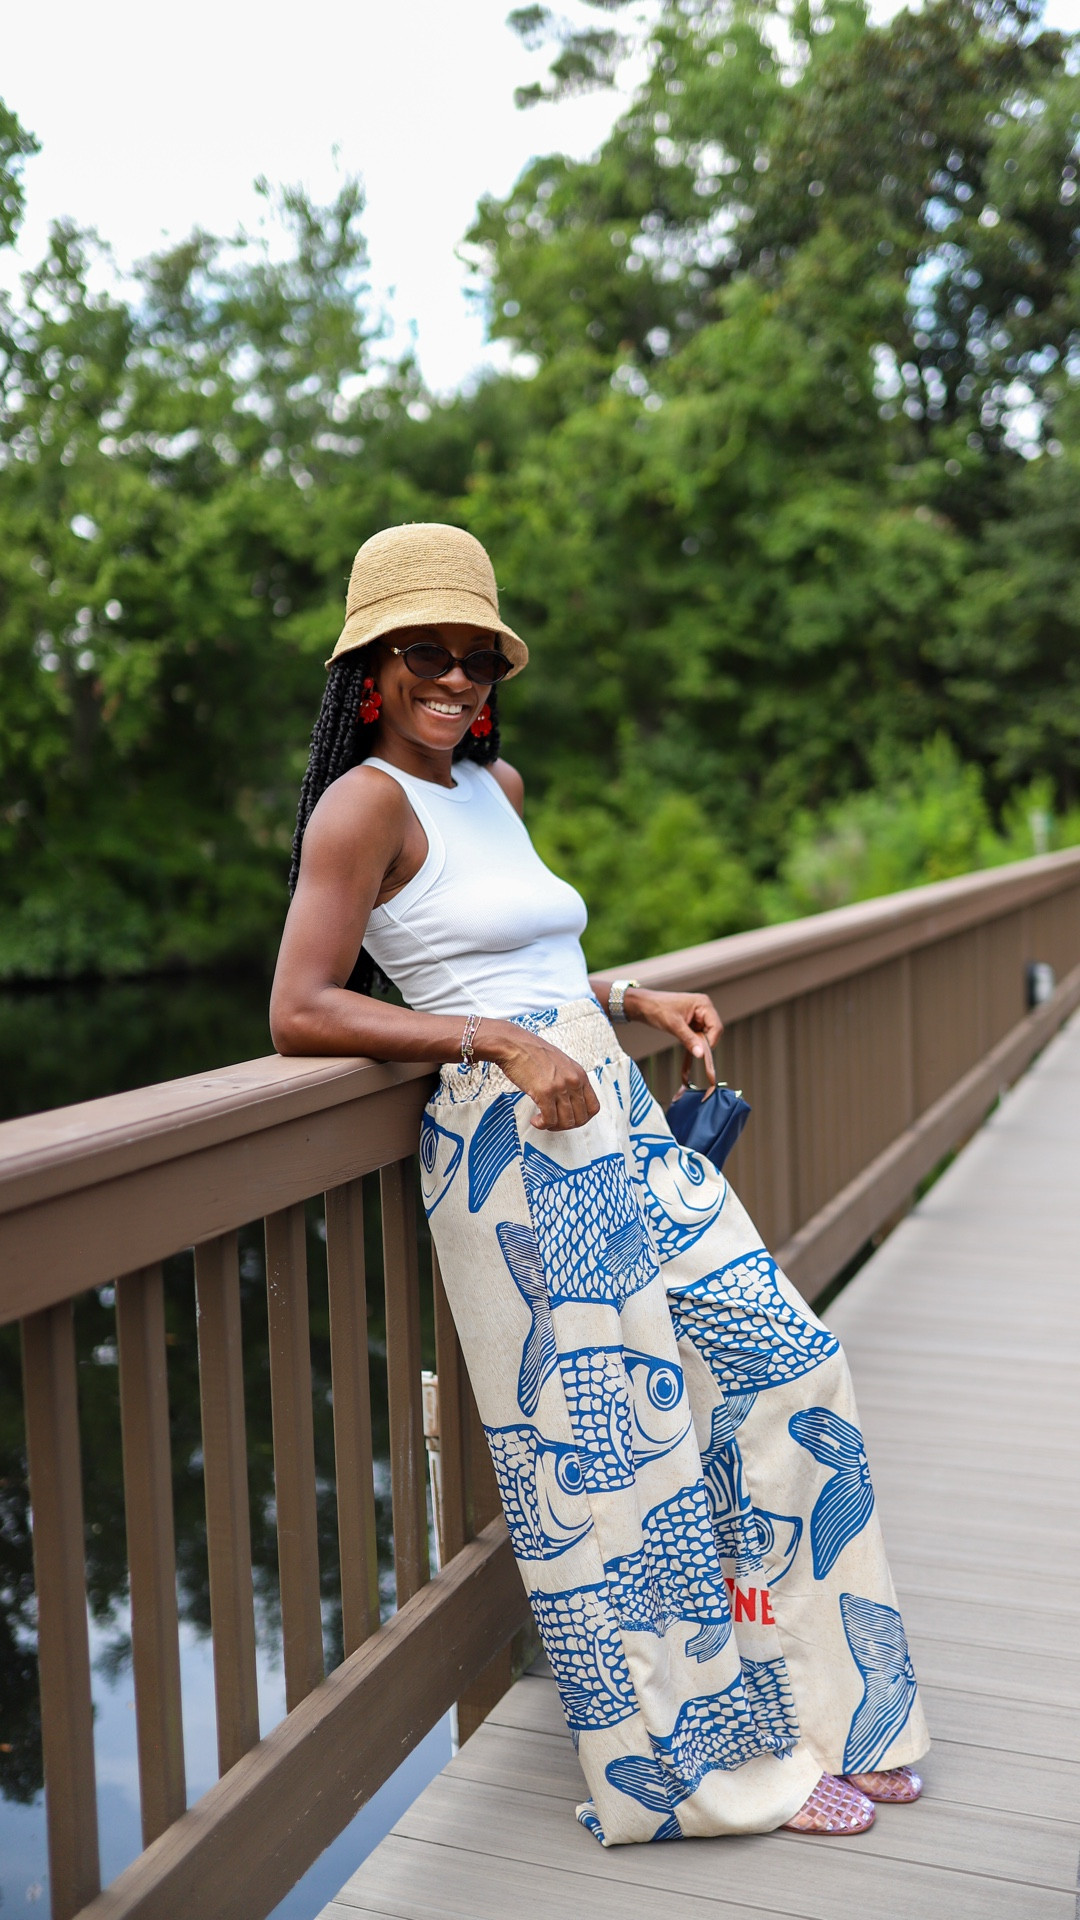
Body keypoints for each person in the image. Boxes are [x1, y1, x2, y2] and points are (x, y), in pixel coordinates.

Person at [270, 522, 930, 1846]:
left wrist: (629, 996)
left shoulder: (492, 787)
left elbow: (531, 958)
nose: (453, 679)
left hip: (608, 1102)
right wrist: (497, 1042)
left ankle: (839, 1709)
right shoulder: (364, 806)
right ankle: (705, 1780)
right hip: (510, 1139)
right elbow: (299, 1007)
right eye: (424, 654)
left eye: (475, 657)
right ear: (370, 671)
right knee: (621, 1470)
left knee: (788, 1368)